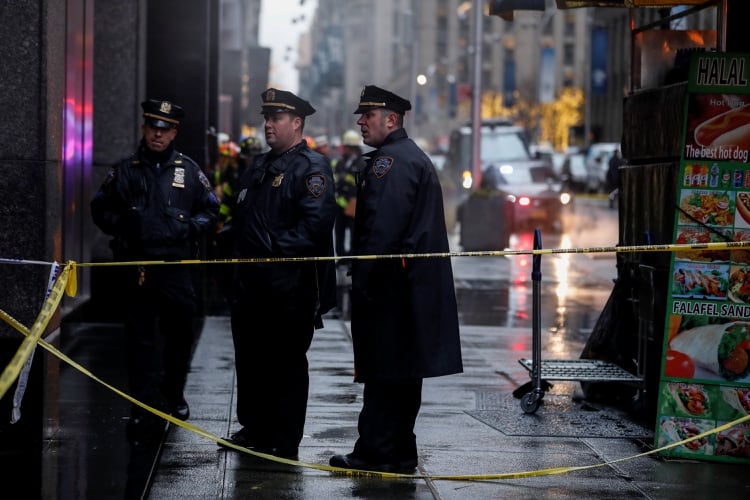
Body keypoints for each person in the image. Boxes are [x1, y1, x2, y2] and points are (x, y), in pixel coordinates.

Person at [329, 85, 463, 472]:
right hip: (406, 288)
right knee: (402, 376)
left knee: (385, 375)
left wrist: (363, 280)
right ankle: (397, 451)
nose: (360, 121)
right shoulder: (407, 157)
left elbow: (382, 232)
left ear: (391, 119)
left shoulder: (392, 162)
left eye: (367, 116)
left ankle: (377, 451)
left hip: (391, 289)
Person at [90, 99, 219, 443]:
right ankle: (142, 404)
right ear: (144, 128)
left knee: (179, 336)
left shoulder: (188, 170)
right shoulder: (125, 170)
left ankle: (174, 396)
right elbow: (99, 209)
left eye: (165, 129)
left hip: (176, 268)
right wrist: (125, 227)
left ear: (174, 132)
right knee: (140, 340)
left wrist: (189, 229)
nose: (158, 134)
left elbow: (211, 210)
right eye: (152, 127)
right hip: (138, 267)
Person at [218, 88, 337, 459]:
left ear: (297, 123)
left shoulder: (311, 167)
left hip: (289, 289)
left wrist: (268, 248)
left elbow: (314, 227)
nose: (268, 124)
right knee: (250, 361)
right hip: (250, 286)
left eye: (277, 118)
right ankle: (254, 428)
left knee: (284, 365)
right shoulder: (258, 166)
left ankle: (283, 441)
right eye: (266, 117)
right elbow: (243, 216)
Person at [333, 130, 365, 262]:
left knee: (354, 234)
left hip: (353, 204)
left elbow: (359, 185)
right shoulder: (341, 163)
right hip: (340, 204)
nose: (343, 148)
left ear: (352, 147)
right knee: (339, 232)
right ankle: (342, 257)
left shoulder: (361, 163)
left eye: (346, 146)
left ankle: (352, 258)